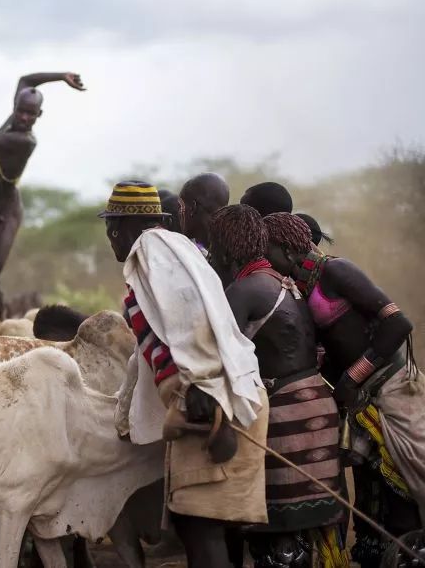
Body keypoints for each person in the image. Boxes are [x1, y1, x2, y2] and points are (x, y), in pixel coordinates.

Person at [104, 180, 269, 568]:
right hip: (222, 397)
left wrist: (202, 386)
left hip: (212, 405)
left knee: (201, 528)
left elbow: (189, 316)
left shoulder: (152, 249)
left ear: (120, 226)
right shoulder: (177, 248)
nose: (110, 238)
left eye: (111, 227)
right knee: (198, 525)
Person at [263, 212, 422, 567]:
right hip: (362, 402)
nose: (264, 257)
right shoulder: (294, 285)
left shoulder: (336, 271)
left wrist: (351, 378)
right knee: (374, 487)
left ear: (288, 249)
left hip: (393, 389)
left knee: (408, 482)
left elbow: (398, 323)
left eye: (267, 249)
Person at [209, 205, 345, 567]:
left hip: (285, 412)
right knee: (301, 532)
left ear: (224, 250)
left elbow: (220, 357)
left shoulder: (245, 290)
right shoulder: (282, 282)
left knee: (280, 538)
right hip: (314, 400)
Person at [0, 68, 85, 326]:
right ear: (16, 106)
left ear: (38, 115)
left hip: (9, 210)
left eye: (29, 113)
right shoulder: (17, 113)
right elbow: (26, 80)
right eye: (20, 110)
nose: (23, 117)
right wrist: (62, 76)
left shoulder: (25, 141)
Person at [178, 172, 230, 255]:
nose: (179, 213)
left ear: (193, 207)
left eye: (181, 206)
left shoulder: (184, 254)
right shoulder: (237, 244)